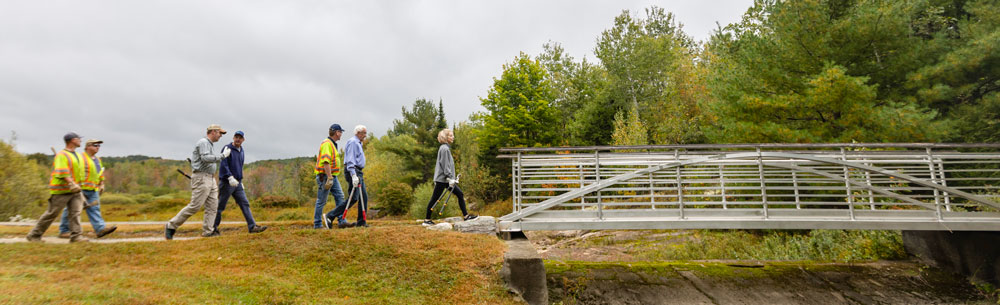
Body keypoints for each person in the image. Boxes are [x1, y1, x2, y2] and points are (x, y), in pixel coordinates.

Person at [165, 124, 231, 240]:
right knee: (195, 206)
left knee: (212, 206)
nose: (221, 136)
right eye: (220, 133)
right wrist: (222, 156)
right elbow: (205, 158)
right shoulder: (203, 142)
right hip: (201, 178)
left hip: (210, 178)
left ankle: (208, 232)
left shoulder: (209, 144)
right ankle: (171, 226)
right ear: (213, 132)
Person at [26, 132, 88, 243]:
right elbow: (62, 171)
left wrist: (79, 186)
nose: (80, 141)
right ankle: (34, 235)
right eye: (79, 139)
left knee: (75, 213)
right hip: (62, 190)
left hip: (76, 190)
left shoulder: (78, 155)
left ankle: (76, 237)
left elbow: (79, 172)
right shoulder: (62, 155)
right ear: (72, 140)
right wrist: (71, 183)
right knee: (52, 213)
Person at [57, 139, 117, 239]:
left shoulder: (98, 160)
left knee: (94, 209)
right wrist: (72, 183)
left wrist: (101, 184)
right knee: (71, 210)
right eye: (95, 145)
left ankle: (100, 229)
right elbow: (72, 170)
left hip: (93, 189)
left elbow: (100, 173)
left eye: (99, 146)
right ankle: (64, 231)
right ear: (87, 146)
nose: (98, 147)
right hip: (80, 188)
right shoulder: (80, 157)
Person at [212, 131, 267, 234]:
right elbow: (224, 164)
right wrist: (230, 177)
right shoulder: (227, 148)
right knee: (220, 206)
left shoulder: (241, 150)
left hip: (237, 183)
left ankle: (252, 227)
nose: (238, 139)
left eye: (240, 138)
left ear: (243, 140)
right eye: (236, 137)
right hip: (227, 182)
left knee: (245, 203)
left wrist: (240, 179)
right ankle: (213, 229)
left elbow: (240, 166)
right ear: (233, 138)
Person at [423, 129, 477, 226]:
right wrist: (450, 178)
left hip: (445, 179)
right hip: (443, 180)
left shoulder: (444, 148)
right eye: (451, 136)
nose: (453, 137)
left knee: (459, 194)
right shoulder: (445, 149)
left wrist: (452, 178)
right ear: (446, 138)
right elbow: (445, 165)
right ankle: (427, 220)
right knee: (435, 198)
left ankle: (466, 216)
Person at [316, 124, 353, 229]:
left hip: (332, 176)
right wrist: (329, 177)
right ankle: (317, 224)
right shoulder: (327, 144)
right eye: (340, 132)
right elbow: (326, 162)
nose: (341, 134)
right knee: (321, 201)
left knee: (340, 196)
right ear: (337, 132)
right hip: (325, 176)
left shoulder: (332, 144)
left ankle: (342, 220)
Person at [340, 125, 369, 227]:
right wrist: (353, 175)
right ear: (358, 133)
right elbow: (350, 160)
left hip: (358, 171)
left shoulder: (358, 143)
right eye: (364, 133)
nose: (365, 136)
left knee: (363, 197)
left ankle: (361, 222)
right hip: (354, 171)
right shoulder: (353, 142)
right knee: (354, 198)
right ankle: (331, 215)